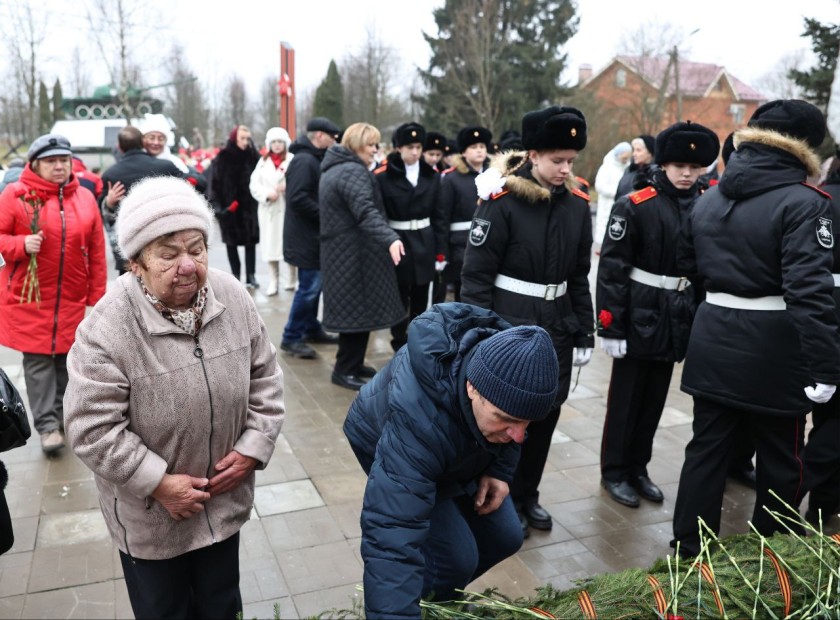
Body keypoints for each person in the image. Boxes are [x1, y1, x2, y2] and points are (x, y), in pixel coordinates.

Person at [64, 176, 285, 618]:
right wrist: (159, 484)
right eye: (168, 254)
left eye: (197, 248)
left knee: (222, 606)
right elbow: (90, 428)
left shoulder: (232, 297)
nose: (188, 265)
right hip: (152, 519)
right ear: (135, 263)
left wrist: (252, 448)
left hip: (223, 505)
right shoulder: (107, 328)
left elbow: (266, 376)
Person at [671, 99, 840, 558]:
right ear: (805, 147)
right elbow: (809, 291)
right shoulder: (805, 202)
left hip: (713, 338)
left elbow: (690, 273)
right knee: (782, 457)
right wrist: (825, 366)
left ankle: (689, 548)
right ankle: (773, 553)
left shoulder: (710, 198)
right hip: (773, 350)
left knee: (706, 450)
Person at [344, 302, 559, 617]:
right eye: (505, 418)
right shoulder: (418, 422)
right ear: (473, 388)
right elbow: (392, 537)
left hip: (461, 446)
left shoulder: (506, 370)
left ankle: (437, 597)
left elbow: (514, 419)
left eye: (526, 423)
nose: (518, 435)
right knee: (455, 558)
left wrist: (499, 470)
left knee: (506, 536)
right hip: (385, 438)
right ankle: (429, 603)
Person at [461, 106, 595, 537]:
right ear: (533, 155)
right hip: (507, 324)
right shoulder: (502, 202)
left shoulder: (577, 205)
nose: (565, 169)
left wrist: (585, 330)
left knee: (545, 414)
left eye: (571, 161)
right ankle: (490, 493)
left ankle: (527, 493)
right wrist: (477, 330)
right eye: (557, 160)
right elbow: (476, 275)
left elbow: (578, 275)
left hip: (555, 327)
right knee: (502, 419)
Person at [596, 121, 720, 508]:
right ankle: (614, 471)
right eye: (680, 165)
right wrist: (610, 325)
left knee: (654, 400)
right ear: (664, 164)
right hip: (637, 312)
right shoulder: (635, 205)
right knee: (626, 399)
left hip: (677, 314)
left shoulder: (705, 204)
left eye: (695, 167)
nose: (687, 174)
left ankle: (639, 467)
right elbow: (613, 269)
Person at [0, 134, 107, 454]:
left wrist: (98, 296)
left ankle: (63, 418)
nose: (59, 166)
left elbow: (97, 250)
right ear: (35, 164)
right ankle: (47, 427)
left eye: (64, 160)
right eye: (51, 161)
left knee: (67, 362)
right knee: (38, 365)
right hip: (28, 297)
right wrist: (20, 245)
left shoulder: (84, 197)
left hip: (71, 297)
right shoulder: (15, 195)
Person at [319, 122, 406, 390]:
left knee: (357, 313)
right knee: (355, 313)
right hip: (353, 255)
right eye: (371, 145)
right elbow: (366, 211)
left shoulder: (340, 168)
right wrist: (390, 237)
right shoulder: (351, 172)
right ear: (356, 144)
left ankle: (353, 363)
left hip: (348, 253)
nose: (375, 150)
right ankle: (344, 369)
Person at [375, 122, 447, 352]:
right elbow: (379, 214)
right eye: (409, 147)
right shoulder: (383, 176)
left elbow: (440, 216)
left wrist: (440, 251)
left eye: (418, 147)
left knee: (420, 293)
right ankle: (398, 340)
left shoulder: (432, 175)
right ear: (398, 148)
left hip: (425, 240)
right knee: (399, 294)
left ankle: (415, 339)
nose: (414, 152)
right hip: (398, 240)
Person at [280, 117, 341, 359]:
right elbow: (297, 198)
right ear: (319, 136)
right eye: (331, 137)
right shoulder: (305, 161)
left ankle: (310, 328)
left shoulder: (312, 157)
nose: (334, 141)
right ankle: (291, 337)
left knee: (314, 288)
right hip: (305, 239)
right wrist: (326, 214)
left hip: (312, 237)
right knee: (309, 288)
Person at [802, 149, 840, 527]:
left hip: (822, 311)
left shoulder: (822, 199)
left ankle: (823, 503)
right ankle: (806, 492)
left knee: (828, 414)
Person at [100, 125, 185, 273]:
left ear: (119, 147)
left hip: (130, 248)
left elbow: (103, 212)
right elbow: (189, 188)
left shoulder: (111, 175)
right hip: (164, 240)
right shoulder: (166, 167)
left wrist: (108, 202)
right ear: (143, 143)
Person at [440, 125, 492, 302]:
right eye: (474, 147)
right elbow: (443, 217)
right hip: (461, 246)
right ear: (463, 152)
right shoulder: (451, 179)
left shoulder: (495, 175)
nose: (479, 151)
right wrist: (443, 252)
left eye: (482, 147)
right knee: (464, 296)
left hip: (491, 244)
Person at [211, 125, 261, 288]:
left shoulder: (253, 156)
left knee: (250, 243)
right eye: (242, 138)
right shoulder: (224, 156)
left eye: (248, 138)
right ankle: (236, 276)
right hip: (231, 207)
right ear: (234, 138)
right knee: (231, 244)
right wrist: (220, 206)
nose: (246, 142)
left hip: (249, 207)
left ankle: (251, 276)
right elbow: (216, 182)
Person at [249, 126, 295, 296]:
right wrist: (266, 194)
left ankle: (291, 279)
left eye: (280, 142)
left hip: (287, 209)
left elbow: (300, 181)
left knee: (289, 245)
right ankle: (273, 282)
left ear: (285, 144)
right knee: (270, 247)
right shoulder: (262, 162)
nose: (277, 145)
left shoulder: (292, 160)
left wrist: (287, 186)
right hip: (269, 211)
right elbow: (254, 185)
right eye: (274, 142)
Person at [593, 141, 631, 244]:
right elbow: (600, 186)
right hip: (607, 205)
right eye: (624, 157)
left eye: (627, 158)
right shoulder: (607, 167)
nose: (625, 160)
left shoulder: (628, 168)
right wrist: (618, 192)